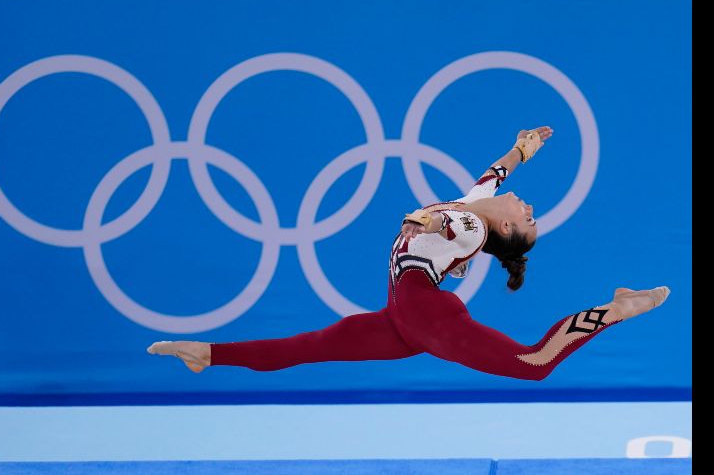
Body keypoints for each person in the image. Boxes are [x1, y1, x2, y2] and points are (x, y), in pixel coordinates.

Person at [147, 126, 670, 380]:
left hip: (425, 312)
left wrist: (425, 220)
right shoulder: (478, 206)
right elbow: (493, 177)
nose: (529, 205)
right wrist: (522, 149)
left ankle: (617, 308)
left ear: (505, 226)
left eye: (528, 217)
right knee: (307, 346)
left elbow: (451, 222)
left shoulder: (466, 223)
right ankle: (208, 353)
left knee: (533, 363)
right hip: (404, 315)